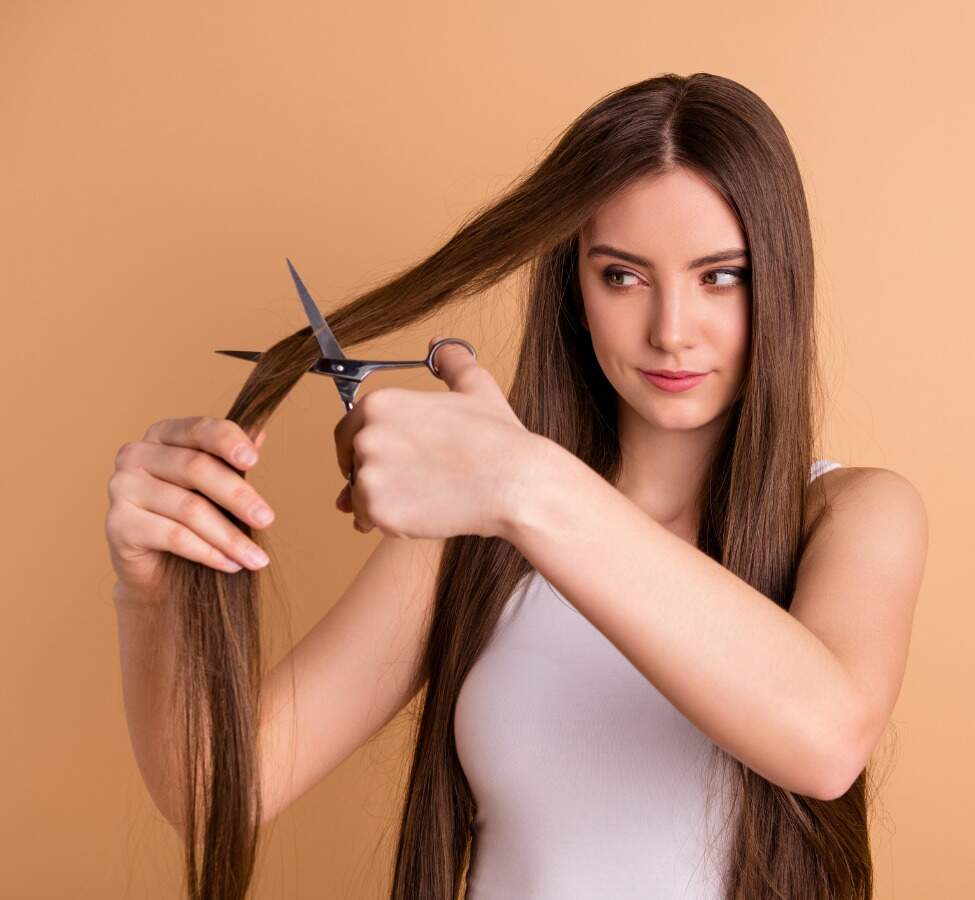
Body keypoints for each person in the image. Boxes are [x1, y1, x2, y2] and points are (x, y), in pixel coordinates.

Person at [105, 72, 927, 900]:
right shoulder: (474, 534)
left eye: (721, 276)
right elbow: (215, 795)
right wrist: (147, 594)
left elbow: (824, 742)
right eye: (622, 276)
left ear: (778, 280)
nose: (672, 330)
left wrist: (521, 481)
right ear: (573, 287)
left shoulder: (853, 514)